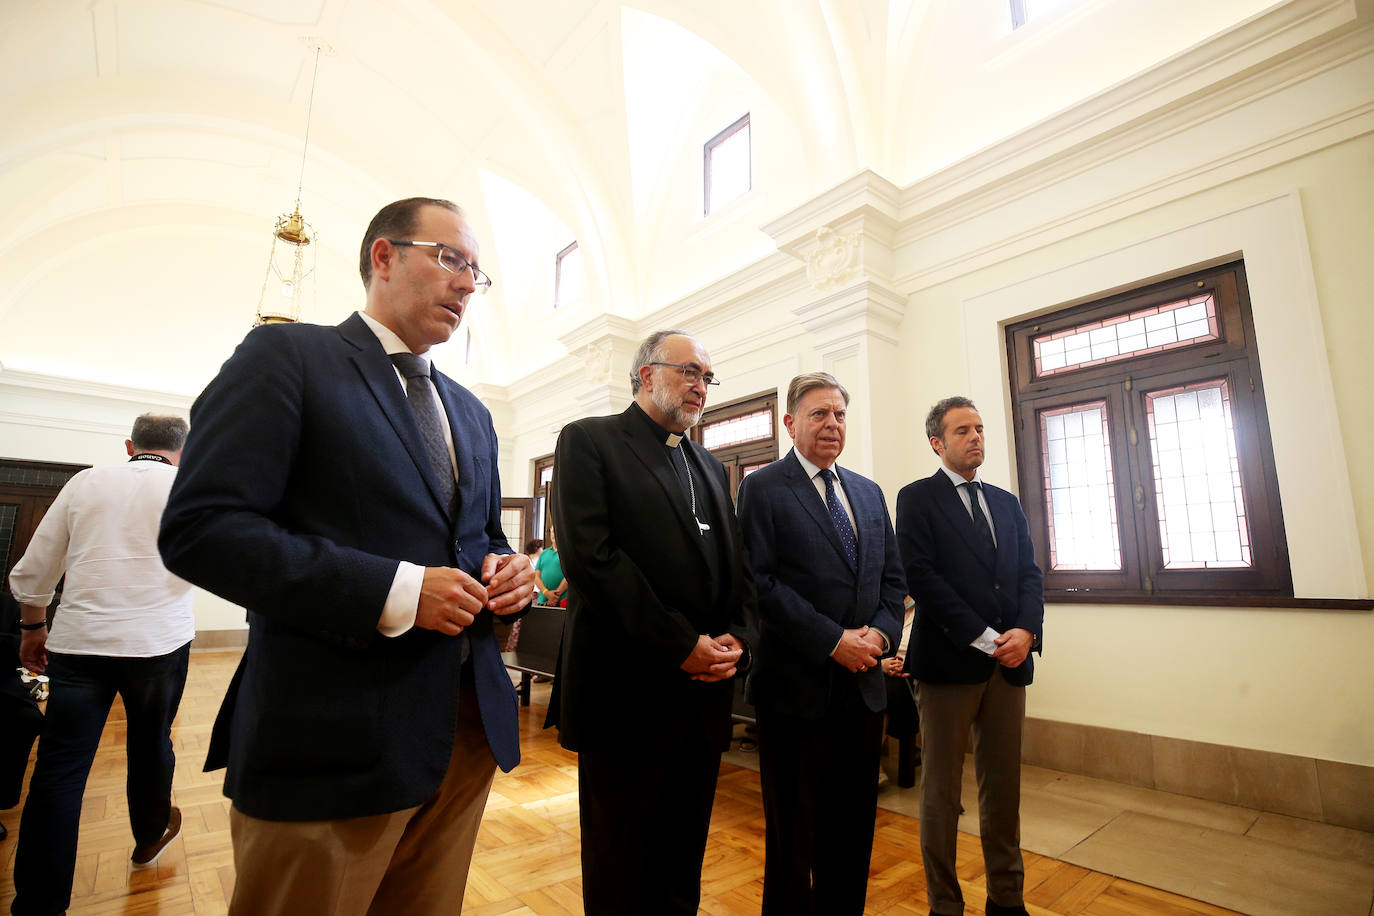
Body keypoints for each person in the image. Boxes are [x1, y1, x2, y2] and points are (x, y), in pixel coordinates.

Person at [158, 197, 534, 916]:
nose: (464, 284)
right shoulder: (289, 359)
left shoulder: (472, 411)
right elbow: (202, 529)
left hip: (463, 733)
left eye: (476, 274)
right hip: (333, 740)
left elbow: (479, 536)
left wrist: (507, 568)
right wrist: (396, 591)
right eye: (450, 258)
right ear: (383, 257)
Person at [547, 328, 757, 916]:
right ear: (646, 374)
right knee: (621, 864)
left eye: (707, 378)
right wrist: (680, 644)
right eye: (689, 372)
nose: (701, 387)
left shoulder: (711, 467)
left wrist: (738, 637)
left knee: (680, 857)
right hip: (626, 691)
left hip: (702, 695)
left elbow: (737, 566)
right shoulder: (591, 440)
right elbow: (592, 559)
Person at [8, 414, 194, 916]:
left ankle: (38, 907)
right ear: (185, 448)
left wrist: (32, 627)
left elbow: (36, 565)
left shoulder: (87, 481)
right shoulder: (192, 489)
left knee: (60, 769)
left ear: (130, 445)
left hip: (79, 641)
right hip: (159, 643)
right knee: (151, 742)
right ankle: (149, 836)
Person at [735, 371, 905, 916]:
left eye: (839, 414)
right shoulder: (762, 488)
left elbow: (894, 581)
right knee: (793, 834)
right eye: (818, 414)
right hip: (795, 692)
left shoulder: (868, 492)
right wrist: (833, 640)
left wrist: (878, 635)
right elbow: (760, 584)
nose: (832, 424)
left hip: (862, 691)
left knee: (853, 830)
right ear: (790, 423)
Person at [894, 397, 1044, 916]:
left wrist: (1025, 630)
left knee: (1003, 793)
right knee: (942, 795)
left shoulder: (1006, 502)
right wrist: (985, 637)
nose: (976, 437)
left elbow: (1029, 574)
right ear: (937, 442)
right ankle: (945, 904)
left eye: (979, 428)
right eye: (963, 430)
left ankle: (1007, 899)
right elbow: (923, 579)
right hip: (949, 668)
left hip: (1009, 666)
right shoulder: (916, 499)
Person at [880, 595, 921, 786]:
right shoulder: (883, 608)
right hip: (877, 669)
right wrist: (882, 665)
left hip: (910, 677)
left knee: (883, 694)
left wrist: (910, 666)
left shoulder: (923, 610)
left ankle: (872, 766)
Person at [533, 526, 565, 607]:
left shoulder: (567, 553)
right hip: (543, 600)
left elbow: (570, 575)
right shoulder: (544, 553)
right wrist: (546, 593)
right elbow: (536, 577)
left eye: (557, 532)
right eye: (553, 532)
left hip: (563, 600)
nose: (554, 534)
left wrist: (555, 596)